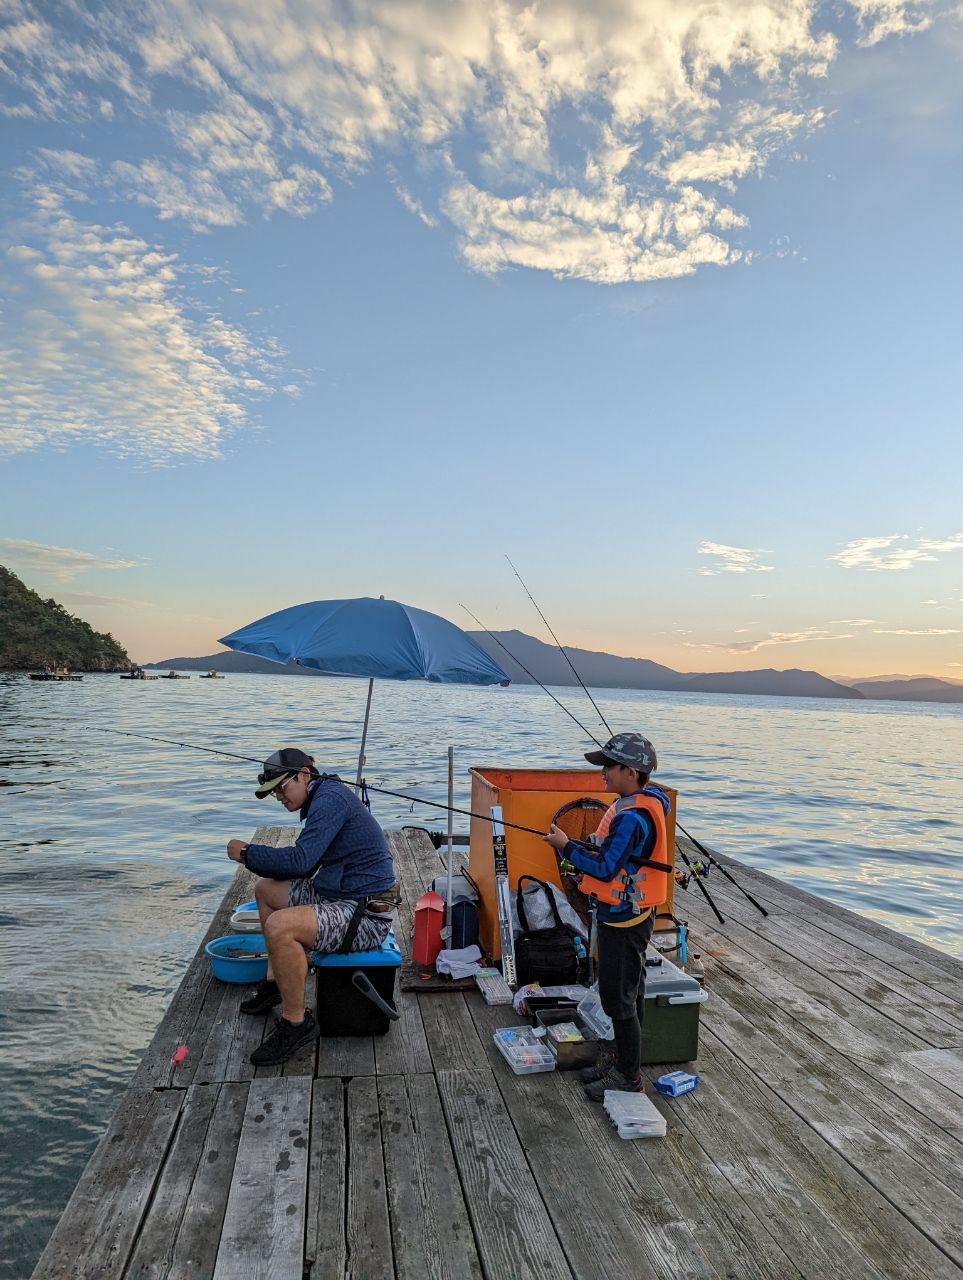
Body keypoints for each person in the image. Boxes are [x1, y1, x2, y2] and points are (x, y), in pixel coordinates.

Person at [226, 747, 396, 1066]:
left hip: (364, 912)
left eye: (281, 786)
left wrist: (247, 853)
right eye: (273, 790)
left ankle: (296, 1024)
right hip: (339, 891)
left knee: (281, 926)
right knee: (265, 890)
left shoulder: (330, 799)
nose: (278, 796)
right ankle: (277, 982)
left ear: (305, 775)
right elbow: (303, 866)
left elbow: (300, 861)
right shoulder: (323, 796)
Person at [545, 732, 671, 1101]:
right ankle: (621, 1063)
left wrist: (566, 846)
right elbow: (617, 857)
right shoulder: (642, 804)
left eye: (607, 767)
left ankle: (628, 1078)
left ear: (630, 773)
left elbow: (604, 869)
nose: (602, 774)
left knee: (620, 1000)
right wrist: (576, 848)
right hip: (634, 913)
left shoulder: (632, 816)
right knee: (631, 994)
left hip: (623, 919)